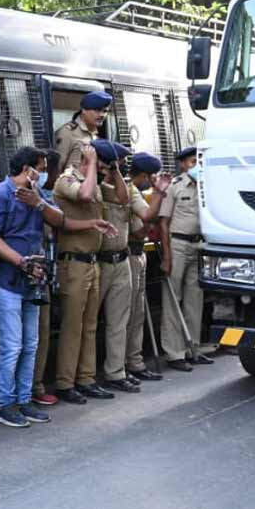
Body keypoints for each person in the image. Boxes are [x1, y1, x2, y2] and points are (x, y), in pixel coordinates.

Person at [0, 146, 105, 428]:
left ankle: (24, 400)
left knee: (31, 344)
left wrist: (37, 202)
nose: (43, 173)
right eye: (39, 167)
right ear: (28, 169)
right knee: (12, 347)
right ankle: (5, 404)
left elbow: (59, 220)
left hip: (33, 281)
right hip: (9, 281)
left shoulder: (38, 196)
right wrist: (21, 262)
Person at [52, 139, 124, 404]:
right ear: (89, 160)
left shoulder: (94, 181)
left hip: (92, 262)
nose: (104, 172)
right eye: (103, 167)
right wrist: (92, 163)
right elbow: (83, 195)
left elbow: (123, 197)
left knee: (90, 326)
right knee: (72, 325)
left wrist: (112, 171)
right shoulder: (66, 180)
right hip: (73, 263)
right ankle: (65, 382)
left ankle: (86, 378)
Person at [95, 149, 169, 393]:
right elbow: (140, 227)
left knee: (126, 318)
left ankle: (122, 368)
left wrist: (157, 198)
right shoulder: (92, 189)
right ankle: (85, 377)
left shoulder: (128, 191)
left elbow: (141, 222)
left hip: (125, 258)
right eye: (115, 165)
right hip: (100, 261)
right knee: (90, 324)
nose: (120, 170)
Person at [159, 146, 213, 371]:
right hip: (178, 244)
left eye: (198, 161)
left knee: (195, 299)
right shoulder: (174, 186)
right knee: (173, 299)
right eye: (192, 162)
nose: (196, 165)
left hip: (199, 244)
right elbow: (163, 222)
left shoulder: (208, 185)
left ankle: (194, 348)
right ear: (182, 164)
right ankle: (174, 353)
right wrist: (167, 256)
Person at [125, 153, 169, 383]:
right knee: (127, 314)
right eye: (151, 177)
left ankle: (134, 360)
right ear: (143, 175)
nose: (152, 182)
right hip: (129, 255)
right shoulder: (129, 191)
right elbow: (142, 226)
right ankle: (126, 364)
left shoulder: (139, 193)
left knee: (138, 313)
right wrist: (159, 195)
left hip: (139, 253)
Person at [31, 149, 64, 407]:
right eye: (45, 169)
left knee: (41, 334)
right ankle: (29, 387)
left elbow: (58, 221)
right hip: (29, 274)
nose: (49, 174)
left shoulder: (46, 198)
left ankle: (36, 384)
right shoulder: (30, 196)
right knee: (30, 337)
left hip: (46, 275)